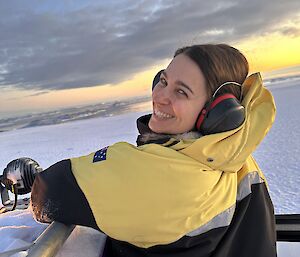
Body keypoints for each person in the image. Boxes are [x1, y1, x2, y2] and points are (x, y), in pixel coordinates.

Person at [30, 44, 277, 257]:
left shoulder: (162, 175)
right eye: (163, 81)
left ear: (218, 113)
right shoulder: (237, 157)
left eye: (181, 91)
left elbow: (47, 193)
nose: (160, 97)